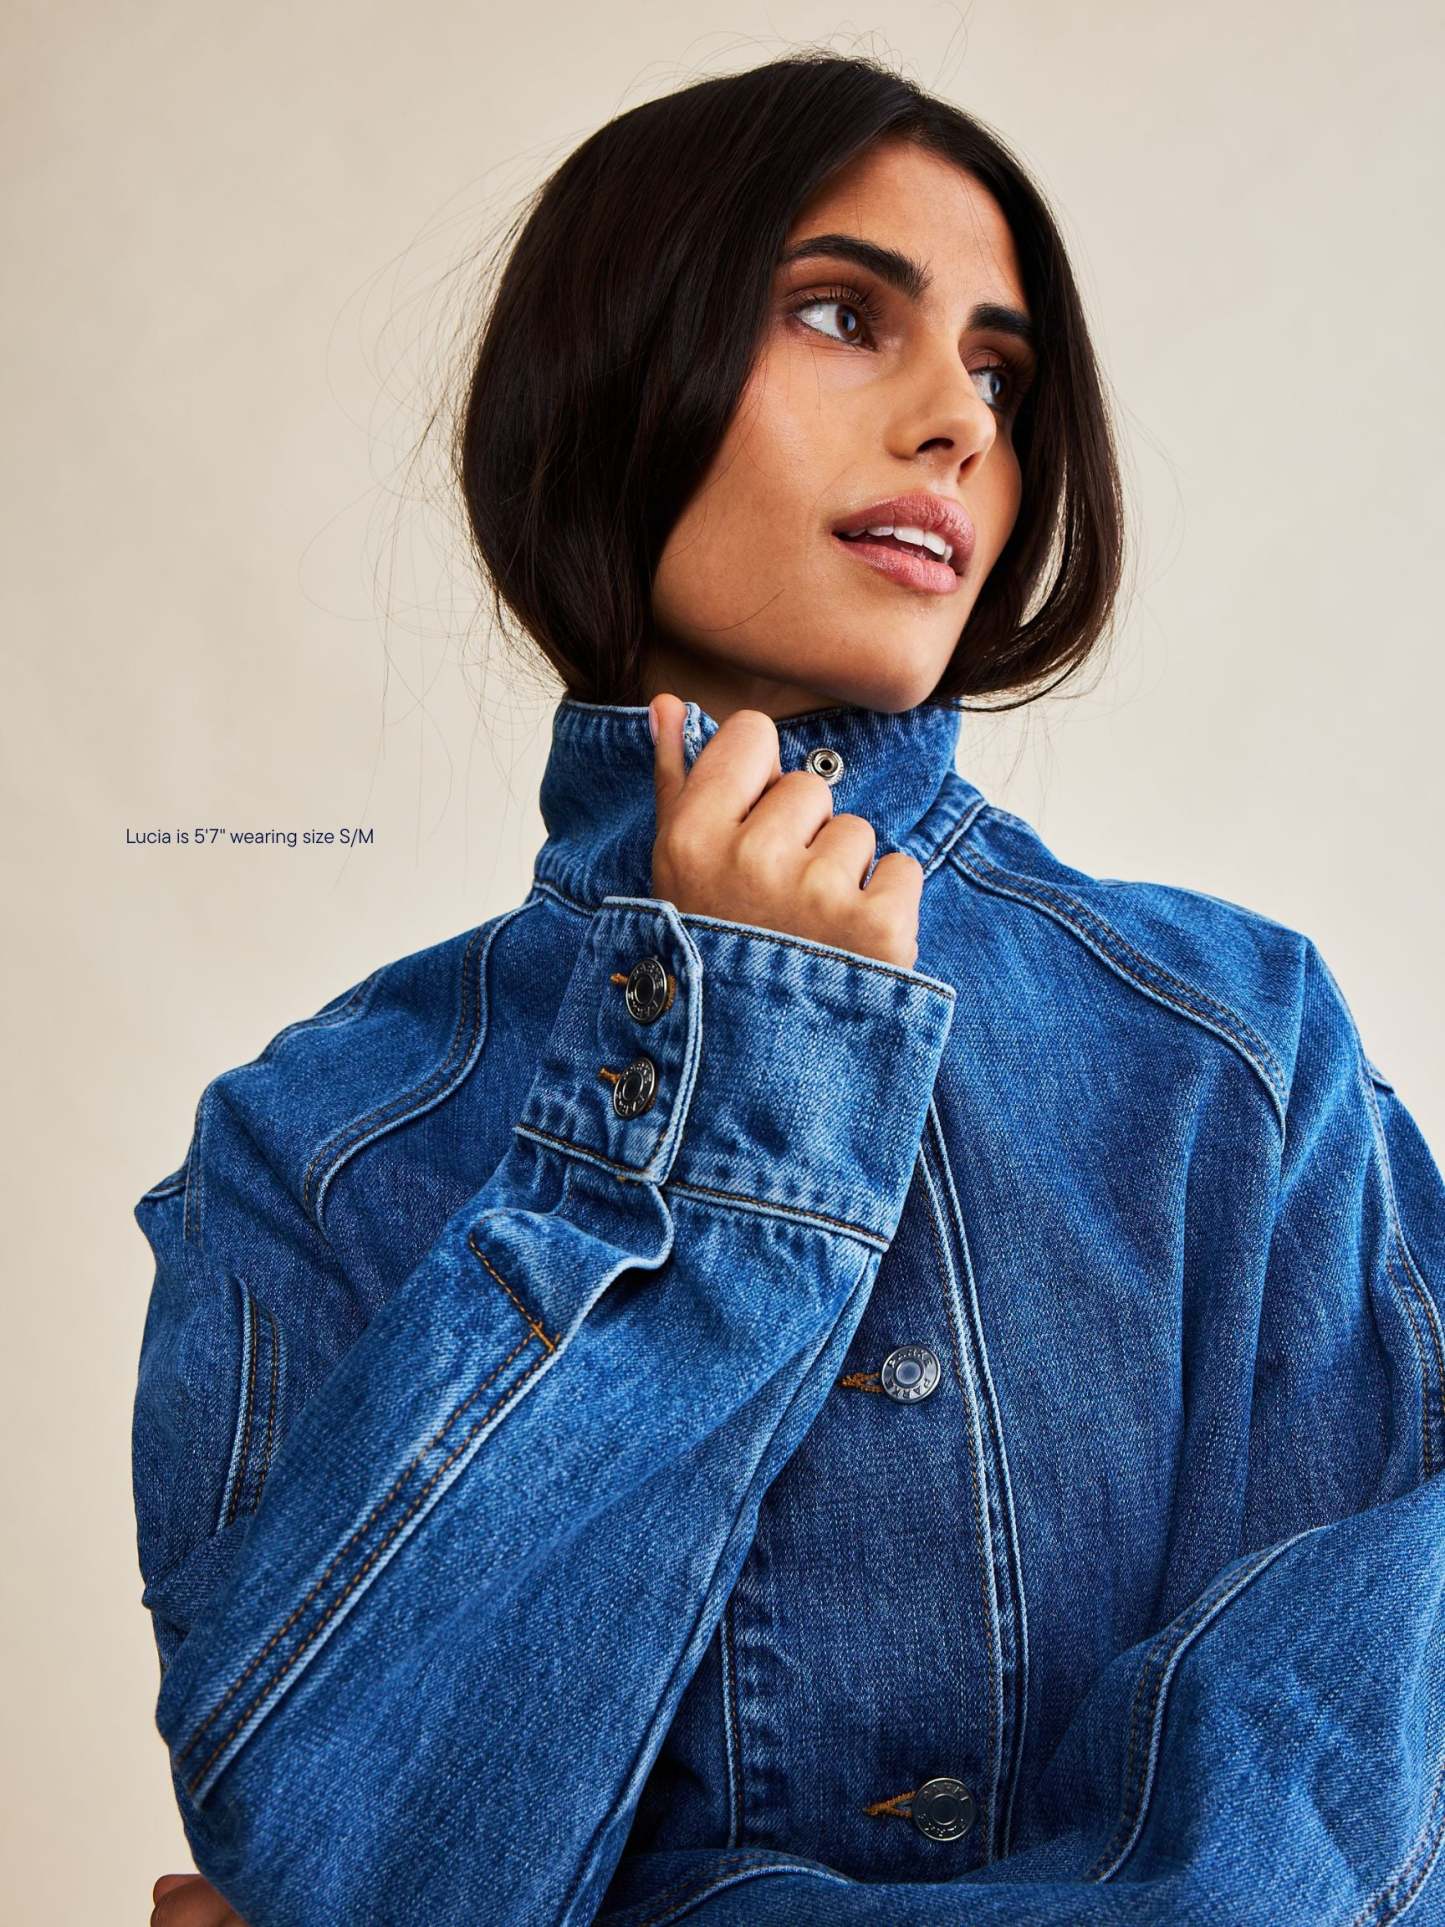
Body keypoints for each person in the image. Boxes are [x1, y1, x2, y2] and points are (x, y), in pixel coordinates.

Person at [138, 52, 1445, 1927]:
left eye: (1000, 374)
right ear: (612, 361)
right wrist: (732, 1088)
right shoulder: (315, 1149)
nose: (958, 423)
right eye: (842, 314)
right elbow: (366, 1862)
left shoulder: (1236, 1053)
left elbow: (1345, 1838)